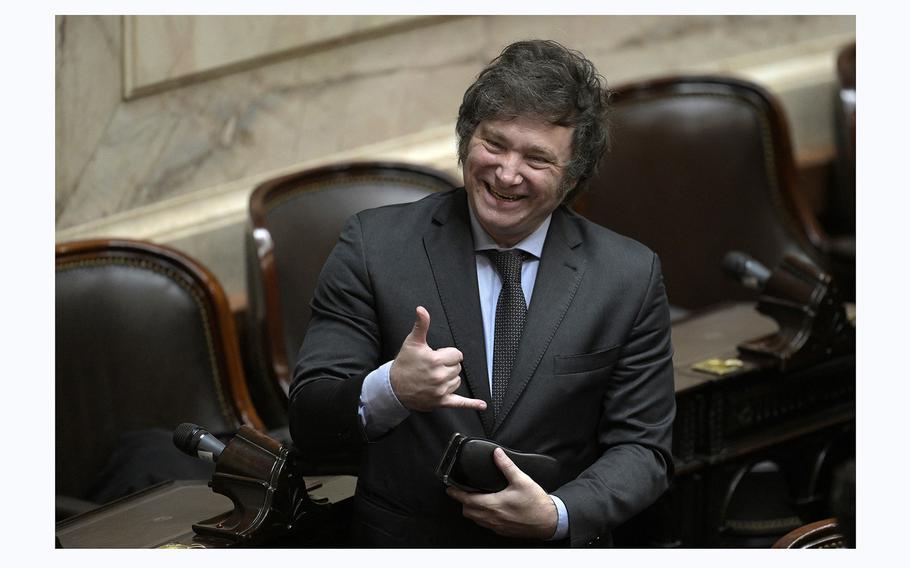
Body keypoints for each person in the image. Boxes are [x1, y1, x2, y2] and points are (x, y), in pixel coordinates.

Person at [288, 39, 676, 547]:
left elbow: (644, 449)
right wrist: (391, 390)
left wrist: (558, 514)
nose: (507, 173)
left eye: (537, 158)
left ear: (572, 177)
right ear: (467, 138)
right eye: (494, 144)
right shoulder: (373, 247)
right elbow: (309, 418)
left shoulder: (627, 274)